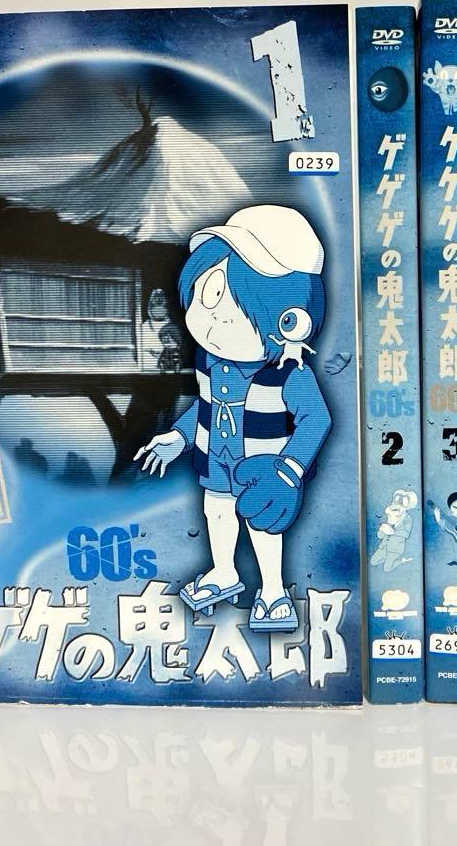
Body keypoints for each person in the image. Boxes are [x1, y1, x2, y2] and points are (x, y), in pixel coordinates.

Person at [135, 205, 331, 633]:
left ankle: (273, 591)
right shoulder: (210, 362)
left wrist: (288, 470)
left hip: (263, 466)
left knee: (263, 524)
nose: (212, 316)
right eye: (205, 297)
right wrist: (179, 438)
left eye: (236, 305)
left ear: (290, 320)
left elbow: (316, 420)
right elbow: (205, 407)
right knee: (217, 512)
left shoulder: (289, 372)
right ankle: (224, 572)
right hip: (215, 459)